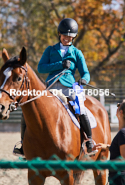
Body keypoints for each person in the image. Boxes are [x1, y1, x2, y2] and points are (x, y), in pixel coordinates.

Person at [13, 18, 93, 156]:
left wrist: (84, 80)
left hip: (68, 87)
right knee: (29, 108)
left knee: (80, 107)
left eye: (70, 37)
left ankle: (89, 140)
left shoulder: (77, 53)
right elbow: (41, 68)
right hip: (49, 87)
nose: (67, 39)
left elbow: (85, 72)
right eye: (64, 36)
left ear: (73, 37)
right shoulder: (50, 50)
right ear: (59, 35)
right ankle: (23, 144)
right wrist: (60, 64)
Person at [95, 99, 125, 185]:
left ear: (121, 112)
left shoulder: (124, 132)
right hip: (122, 178)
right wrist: (107, 146)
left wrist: (105, 163)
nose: (117, 106)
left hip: (121, 179)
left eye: (119, 105)